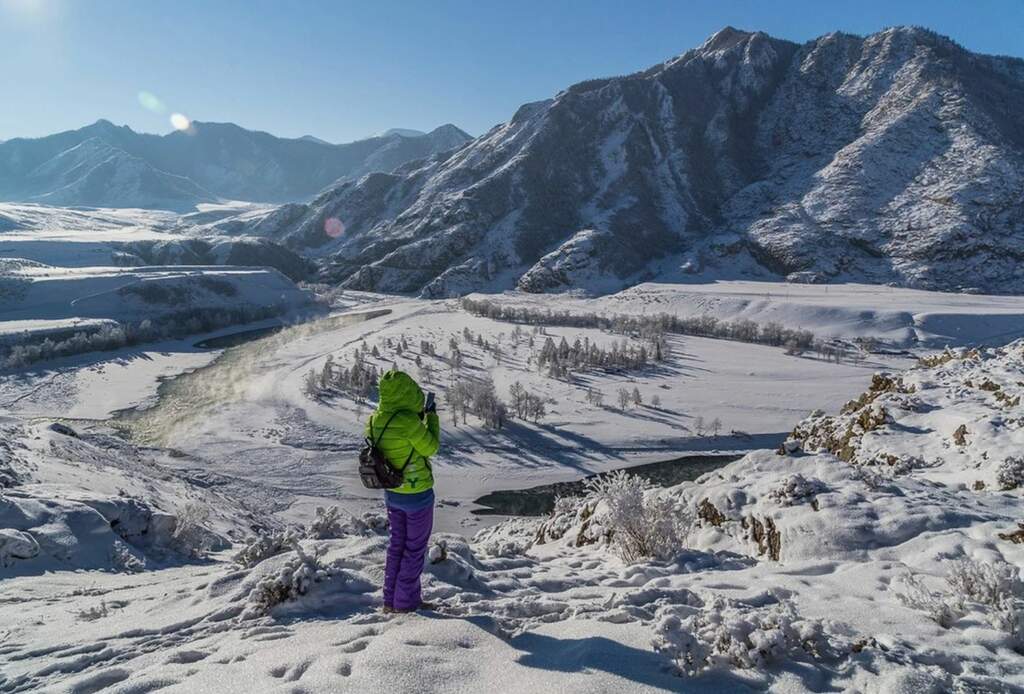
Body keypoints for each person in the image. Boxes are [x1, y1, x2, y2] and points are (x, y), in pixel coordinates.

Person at [365, 369, 439, 613]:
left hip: (392, 493)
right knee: (414, 550)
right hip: (417, 496)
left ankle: (390, 601)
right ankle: (406, 605)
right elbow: (430, 448)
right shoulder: (408, 422)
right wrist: (431, 418)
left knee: (397, 546)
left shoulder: (375, 419)